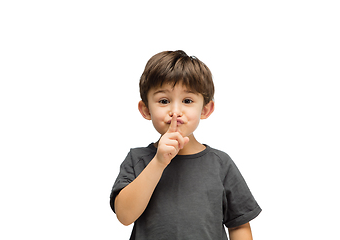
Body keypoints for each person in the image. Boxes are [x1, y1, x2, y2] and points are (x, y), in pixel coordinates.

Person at [110, 50, 261, 240]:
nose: (175, 111)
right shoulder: (137, 159)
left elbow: (239, 225)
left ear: (205, 109)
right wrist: (158, 162)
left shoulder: (220, 163)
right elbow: (124, 216)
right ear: (146, 109)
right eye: (164, 101)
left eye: (187, 101)